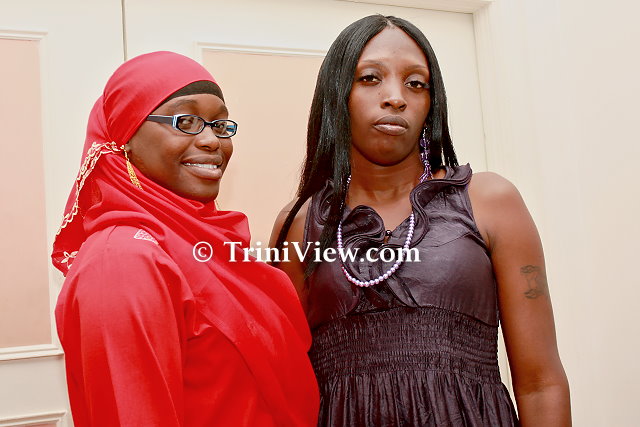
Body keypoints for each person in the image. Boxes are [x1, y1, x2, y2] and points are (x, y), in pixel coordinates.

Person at [271, 15, 570, 426]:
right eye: (370, 78)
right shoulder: (300, 223)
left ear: (432, 104)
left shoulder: (490, 202)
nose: (396, 97)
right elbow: (286, 387)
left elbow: (541, 384)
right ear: (337, 94)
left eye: (416, 83)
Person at [53, 51, 319, 426]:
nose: (212, 140)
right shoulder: (123, 263)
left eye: (220, 124)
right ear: (125, 138)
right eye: (186, 121)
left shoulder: (203, 247)